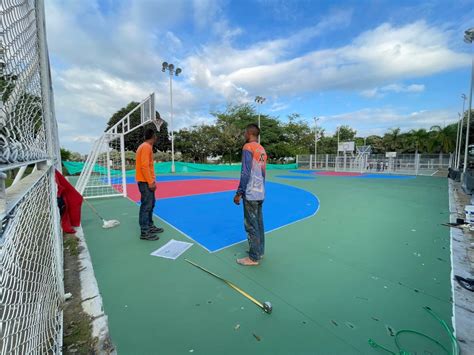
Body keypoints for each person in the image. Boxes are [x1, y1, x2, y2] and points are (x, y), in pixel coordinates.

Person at [233, 124, 267, 266]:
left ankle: (253, 258)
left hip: (251, 192)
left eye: (244, 133)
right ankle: (259, 251)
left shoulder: (248, 147)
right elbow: (263, 173)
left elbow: (245, 172)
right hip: (260, 191)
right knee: (259, 223)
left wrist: (239, 192)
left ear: (249, 133)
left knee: (251, 225)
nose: (244, 135)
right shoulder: (261, 149)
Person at [136, 128, 164, 240]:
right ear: (153, 137)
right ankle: (145, 232)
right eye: (155, 136)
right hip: (145, 182)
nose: (156, 137)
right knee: (146, 206)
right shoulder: (146, 147)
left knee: (150, 205)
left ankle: (150, 226)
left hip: (146, 181)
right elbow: (144, 166)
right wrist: (150, 181)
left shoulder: (144, 147)